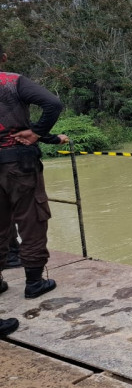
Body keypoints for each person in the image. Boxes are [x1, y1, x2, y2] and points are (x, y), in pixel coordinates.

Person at [0, 41, 69, 299]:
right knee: (31, 220)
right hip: (19, 163)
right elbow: (53, 103)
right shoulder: (12, 82)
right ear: (4, 57)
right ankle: (34, 282)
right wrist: (38, 132)